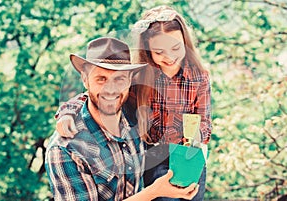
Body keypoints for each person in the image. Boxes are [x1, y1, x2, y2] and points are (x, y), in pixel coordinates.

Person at [55, 5, 212, 201]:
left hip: (189, 152)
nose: (169, 57)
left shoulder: (199, 76)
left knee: (192, 196)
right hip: (155, 154)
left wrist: (197, 136)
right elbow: (99, 97)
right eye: (159, 51)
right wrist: (67, 111)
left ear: (185, 42)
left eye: (175, 48)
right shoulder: (143, 76)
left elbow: (205, 120)